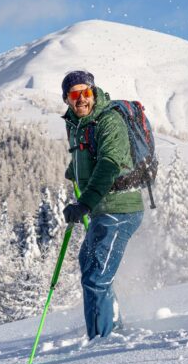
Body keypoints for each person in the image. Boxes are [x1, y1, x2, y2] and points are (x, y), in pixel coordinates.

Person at [60, 70, 145, 340]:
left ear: (94, 93)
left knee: (96, 276)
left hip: (121, 207)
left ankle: (103, 344)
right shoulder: (75, 124)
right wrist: (72, 170)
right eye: (75, 94)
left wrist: (83, 204)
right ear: (66, 99)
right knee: (89, 265)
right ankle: (112, 329)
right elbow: (83, 158)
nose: (81, 99)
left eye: (86, 93)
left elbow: (108, 165)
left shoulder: (109, 121)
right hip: (102, 207)